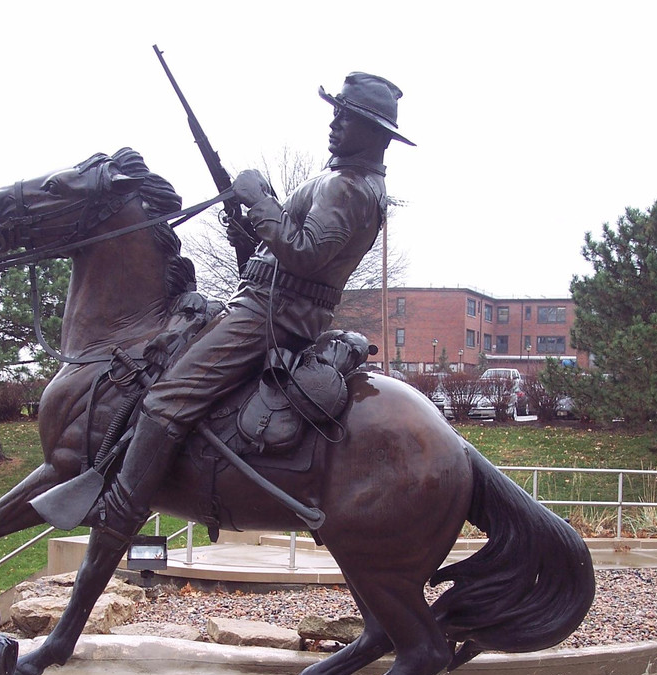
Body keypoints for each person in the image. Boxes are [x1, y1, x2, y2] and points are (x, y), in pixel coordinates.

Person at [90, 72, 415, 545]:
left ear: (374, 132)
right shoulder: (348, 181)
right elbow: (287, 256)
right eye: (335, 113)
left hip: (270, 316)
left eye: (345, 116)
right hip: (266, 304)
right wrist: (250, 226)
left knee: (166, 399)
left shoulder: (348, 187)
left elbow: (304, 253)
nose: (334, 123)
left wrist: (261, 200)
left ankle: (119, 513)